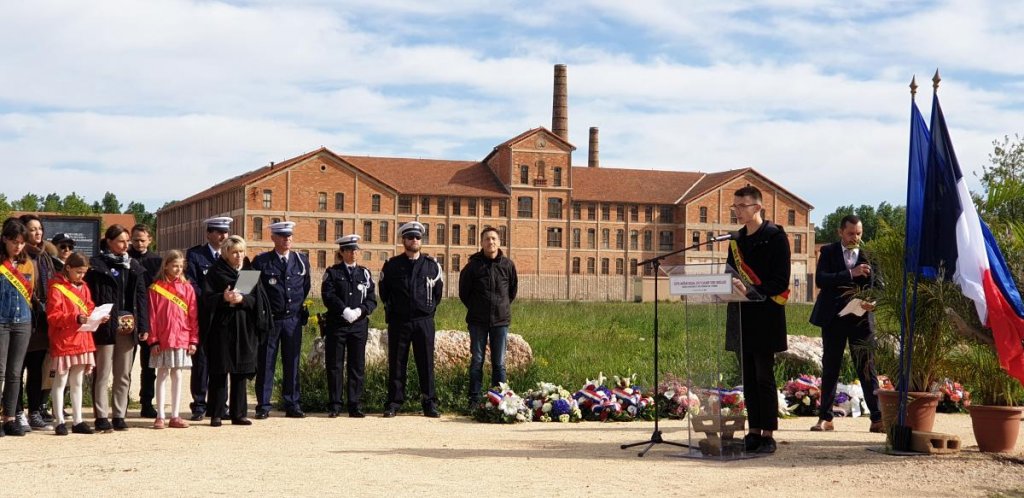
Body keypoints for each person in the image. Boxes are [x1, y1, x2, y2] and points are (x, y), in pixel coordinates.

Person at [724, 186, 790, 455]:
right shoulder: (736, 239)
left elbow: (780, 279)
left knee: (764, 375)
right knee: (748, 376)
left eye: (743, 206)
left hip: (766, 314)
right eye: (735, 206)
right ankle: (752, 431)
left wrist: (751, 290)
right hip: (742, 314)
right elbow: (729, 271)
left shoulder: (775, 236)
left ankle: (768, 433)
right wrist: (729, 284)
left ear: (758, 207)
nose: (738, 211)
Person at [809, 214, 884, 433]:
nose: (855, 238)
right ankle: (825, 418)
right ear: (840, 232)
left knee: (867, 367)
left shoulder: (870, 253)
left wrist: (873, 300)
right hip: (834, 318)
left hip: (861, 320)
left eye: (859, 233)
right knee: (831, 366)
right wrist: (850, 273)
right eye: (851, 233)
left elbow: (879, 285)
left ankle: (877, 418)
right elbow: (821, 279)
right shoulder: (829, 252)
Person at [200, 235, 272, 427]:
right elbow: (206, 299)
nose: (239, 256)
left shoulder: (249, 273)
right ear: (226, 253)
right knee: (219, 371)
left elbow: (258, 301)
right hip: (222, 328)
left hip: (244, 328)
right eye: (234, 252)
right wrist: (223, 298)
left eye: (241, 251)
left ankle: (238, 413)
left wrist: (242, 300)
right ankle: (216, 413)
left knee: (241, 371)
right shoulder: (216, 273)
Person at [85, 224, 150, 433]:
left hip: (129, 326)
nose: (125, 245)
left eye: (127, 241)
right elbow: (89, 297)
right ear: (109, 241)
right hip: (106, 325)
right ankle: (101, 416)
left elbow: (141, 298)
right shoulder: (96, 266)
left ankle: (119, 415)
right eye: (121, 241)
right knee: (103, 373)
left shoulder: (133, 267)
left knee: (123, 374)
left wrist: (143, 325)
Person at [378, 221, 443, 418]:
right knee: (397, 362)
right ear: (403, 240)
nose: (414, 240)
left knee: (426, 362)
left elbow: (437, 293)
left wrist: (428, 309)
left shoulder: (432, 266)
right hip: (400, 321)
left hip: (423, 321)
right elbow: (384, 292)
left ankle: (429, 402)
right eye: (410, 237)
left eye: (417, 237)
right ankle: (394, 402)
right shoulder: (392, 265)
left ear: (420, 241)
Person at [251, 221, 311, 419]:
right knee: (266, 362)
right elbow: (246, 287)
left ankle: (292, 403)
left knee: (292, 362)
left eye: (290, 235)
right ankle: (264, 405)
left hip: (292, 320)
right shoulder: (261, 261)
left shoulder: (301, 260)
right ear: (273, 238)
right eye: (283, 236)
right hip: (271, 321)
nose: (287, 239)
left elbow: (305, 286)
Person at [47, 252, 107, 435]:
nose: (82, 276)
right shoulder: (56, 288)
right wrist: (76, 317)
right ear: (68, 268)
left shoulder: (84, 287)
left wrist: (97, 316)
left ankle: (78, 420)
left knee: (77, 381)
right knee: (61, 381)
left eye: (84, 272)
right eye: (78, 272)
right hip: (64, 340)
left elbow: (88, 307)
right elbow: (53, 316)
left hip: (82, 338)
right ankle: (59, 421)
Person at [459, 226, 518, 411]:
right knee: (477, 361)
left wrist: (501, 307)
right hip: (477, 322)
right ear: (481, 243)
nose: (490, 242)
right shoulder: (473, 266)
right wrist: (477, 308)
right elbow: (464, 293)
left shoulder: (507, 265)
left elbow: (512, 291)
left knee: (499, 363)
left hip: (500, 322)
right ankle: (474, 400)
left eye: (493, 238)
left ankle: (498, 399)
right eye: (487, 239)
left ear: (499, 242)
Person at [321, 234, 377, 418]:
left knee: (356, 365)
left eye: (356, 250)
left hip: (358, 325)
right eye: (350, 250)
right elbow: (328, 296)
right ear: (342, 252)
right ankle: (335, 405)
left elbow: (371, 299)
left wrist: (361, 311)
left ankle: (355, 404)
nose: (354, 253)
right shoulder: (332, 273)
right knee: (335, 365)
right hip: (338, 324)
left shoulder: (364, 273)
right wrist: (344, 310)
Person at [185, 216, 232, 421]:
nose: (223, 236)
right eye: (219, 232)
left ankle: (220, 404)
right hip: (204, 313)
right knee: (202, 361)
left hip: (225, 316)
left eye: (225, 232)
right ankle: (199, 404)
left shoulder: (231, 255)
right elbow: (192, 283)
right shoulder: (196, 255)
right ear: (209, 234)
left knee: (223, 361)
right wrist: (211, 297)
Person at [147, 250, 198, 429]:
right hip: (162, 338)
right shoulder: (155, 288)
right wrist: (152, 340)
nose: (177, 269)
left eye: (180, 266)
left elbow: (193, 315)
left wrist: (193, 339)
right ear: (166, 265)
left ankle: (175, 415)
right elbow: (151, 316)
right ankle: (160, 415)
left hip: (182, 337)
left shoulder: (188, 287)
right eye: (174, 265)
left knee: (177, 374)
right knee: (161, 374)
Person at [17, 214, 58, 431]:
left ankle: (34, 411)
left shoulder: (46, 257)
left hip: (42, 322)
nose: (37, 232)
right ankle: (15, 412)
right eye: (32, 229)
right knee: (17, 370)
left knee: (36, 369)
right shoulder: (19, 257)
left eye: (39, 229)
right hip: (22, 318)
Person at [0, 218, 37, 437]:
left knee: (15, 373)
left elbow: (31, 293)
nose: (18, 246)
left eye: (22, 242)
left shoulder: (27, 264)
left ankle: (10, 418)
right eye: (14, 241)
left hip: (22, 320)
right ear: (4, 239)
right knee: (0, 371)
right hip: (1, 321)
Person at [128, 223, 162, 418]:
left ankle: (146, 402)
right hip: (130, 318)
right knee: (125, 364)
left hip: (150, 317)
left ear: (150, 240)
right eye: (135, 240)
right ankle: (122, 401)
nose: (139, 243)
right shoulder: (126, 259)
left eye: (142, 240)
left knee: (149, 365)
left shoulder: (157, 262)